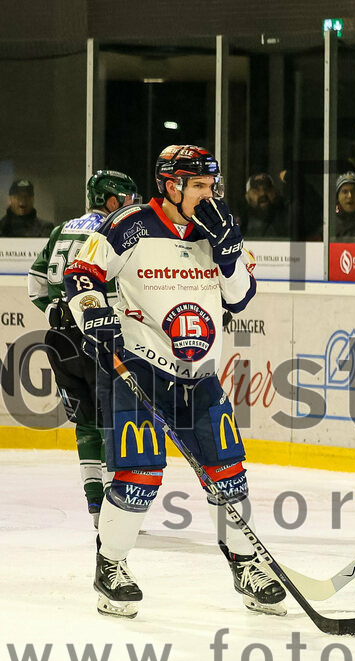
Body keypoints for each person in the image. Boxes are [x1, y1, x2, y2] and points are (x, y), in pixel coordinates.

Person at [62, 144, 286, 620]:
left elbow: (241, 297)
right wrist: (94, 313)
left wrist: (228, 256)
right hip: (139, 369)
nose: (211, 195)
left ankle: (246, 566)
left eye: (213, 186)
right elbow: (82, 274)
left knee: (229, 472)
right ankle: (111, 566)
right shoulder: (128, 225)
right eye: (200, 186)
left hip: (201, 377)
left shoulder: (220, 232)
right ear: (172, 185)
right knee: (139, 475)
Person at [27, 170, 140, 528]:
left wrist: (55, 310)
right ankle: (112, 510)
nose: (131, 206)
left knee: (85, 423)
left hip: (60, 340)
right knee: (113, 421)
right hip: (99, 338)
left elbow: (36, 282)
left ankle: (95, 505)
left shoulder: (62, 229)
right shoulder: (113, 231)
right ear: (111, 201)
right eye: (126, 199)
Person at [238, 172, 289, 238]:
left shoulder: (287, 217)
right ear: (248, 197)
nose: (262, 194)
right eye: (256, 190)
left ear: (274, 193)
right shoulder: (239, 222)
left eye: (267, 189)